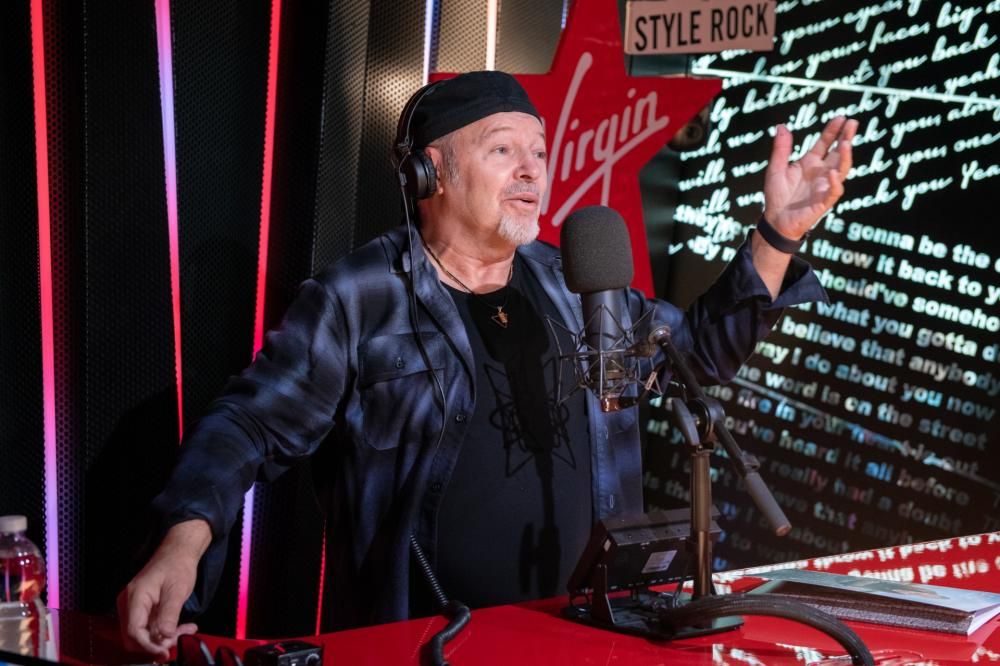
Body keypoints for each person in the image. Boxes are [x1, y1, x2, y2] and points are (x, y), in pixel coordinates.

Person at [118, 70, 857, 658]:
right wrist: (183, 540)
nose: (533, 170)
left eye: (540, 152)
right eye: (504, 150)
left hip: (586, 633)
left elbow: (696, 354)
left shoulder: (576, 286)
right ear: (429, 172)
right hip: (426, 644)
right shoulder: (360, 297)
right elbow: (249, 426)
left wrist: (777, 235)